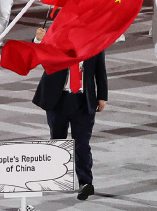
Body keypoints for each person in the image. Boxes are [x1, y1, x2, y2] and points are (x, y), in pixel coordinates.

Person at [32, 27, 108, 201]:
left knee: (81, 144)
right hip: (58, 98)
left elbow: (100, 69)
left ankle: (85, 183)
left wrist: (102, 96)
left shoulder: (95, 39)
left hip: (83, 100)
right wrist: (38, 41)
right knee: (57, 139)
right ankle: (57, 177)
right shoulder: (56, 37)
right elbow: (40, 57)